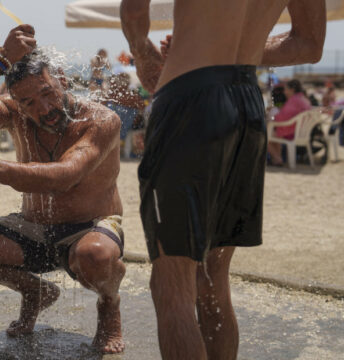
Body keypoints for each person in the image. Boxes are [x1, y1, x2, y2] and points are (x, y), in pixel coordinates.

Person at [120, 1, 326, 359]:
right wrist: (232, 46)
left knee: (172, 286)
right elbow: (309, 44)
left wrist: (144, 53)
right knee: (212, 281)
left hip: (189, 100)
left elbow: (135, 11)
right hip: (247, 103)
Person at [0, 25, 126, 354]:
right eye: (29, 102)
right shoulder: (15, 114)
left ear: (62, 80)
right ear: (16, 104)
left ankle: (109, 306)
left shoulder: (102, 120)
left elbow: (66, 175)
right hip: (33, 225)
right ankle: (35, 291)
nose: (44, 108)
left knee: (95, 256)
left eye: (48, 93)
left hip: (90, 227)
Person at [267, 79, 312, 165]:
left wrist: (272, 116)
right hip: (301, 132)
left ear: (292, 90)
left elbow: (281, 118)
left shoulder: (294, 100)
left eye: (286, 89)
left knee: (265, 135)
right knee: (274, 134)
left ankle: (277, 158)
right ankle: (276, 159)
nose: (284, 92)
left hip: (293, 132)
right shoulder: (303, 99)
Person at [103, 72, 147, 158]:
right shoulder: (131, 96)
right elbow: (142, 107)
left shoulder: (111, 96)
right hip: (126, 125)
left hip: (115, 126)